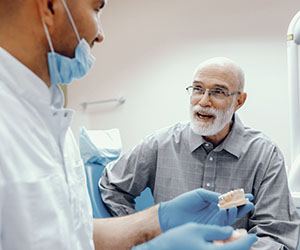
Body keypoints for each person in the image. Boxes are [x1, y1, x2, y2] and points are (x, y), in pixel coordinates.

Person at [0, 0, 258, 250]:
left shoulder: (52, 118)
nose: (100, 34)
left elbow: (73, 236)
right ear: (49, 5)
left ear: (239, 101)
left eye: (218, 92)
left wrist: (156, 220)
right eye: (96, 8)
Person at [100, 57, 300, 249]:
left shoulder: (265, 155)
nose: (203, 101)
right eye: (197, 89)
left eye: (218, 92)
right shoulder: (160, 144)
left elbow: (276, 235)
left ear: (239, 101)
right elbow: (112, 186)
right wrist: (143, 238)